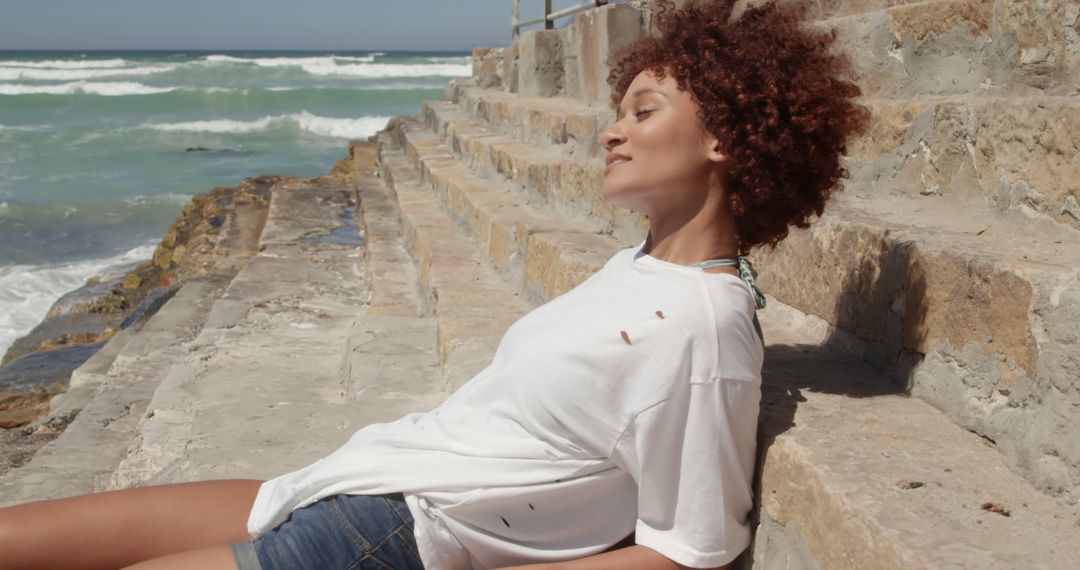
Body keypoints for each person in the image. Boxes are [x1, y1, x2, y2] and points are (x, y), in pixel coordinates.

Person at [0, 1, 869, 568]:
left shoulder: (701, 327)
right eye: (619, 110)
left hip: (390, 539)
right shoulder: (643, 266)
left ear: (727, 139)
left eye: (644, 112)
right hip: (349, 482)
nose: (611, 131)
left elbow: (689, 552)